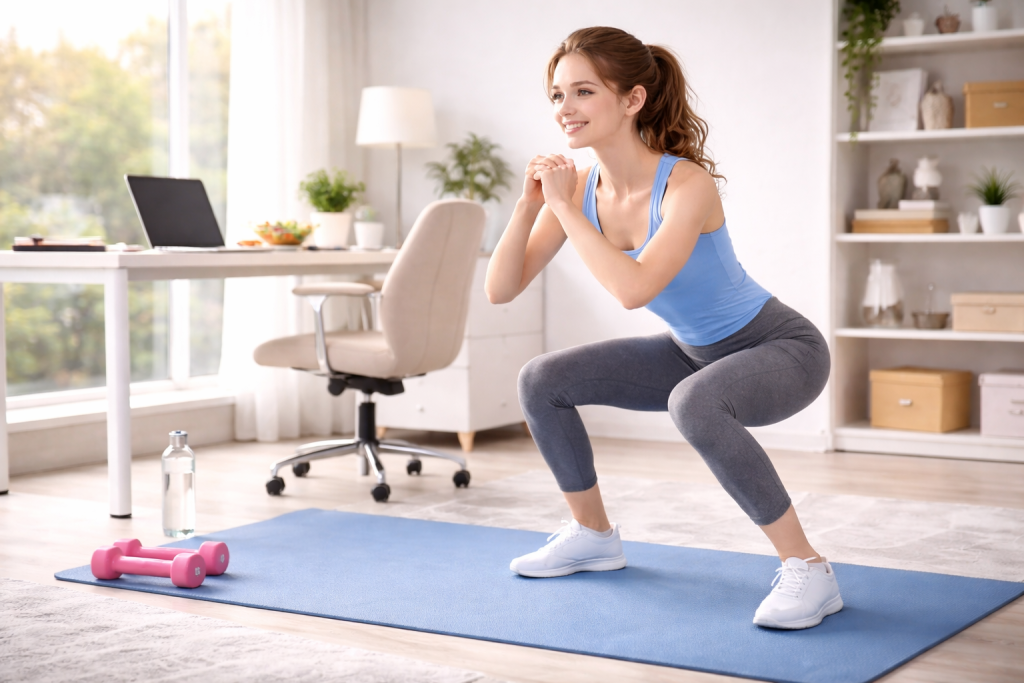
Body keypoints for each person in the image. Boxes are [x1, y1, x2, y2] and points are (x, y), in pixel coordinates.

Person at [484, 26, 839, 630]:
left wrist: (562, 206)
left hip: (782, 349)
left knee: (693, 402)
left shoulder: (685, 184)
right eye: (557, 95)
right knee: (541, 380)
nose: (565, 108)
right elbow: (500, 288)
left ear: (633, 99)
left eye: (583, 92)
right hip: (691, 353)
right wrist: (530, 205)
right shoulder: (583, 191)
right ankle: (593, 536)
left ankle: (809, 567)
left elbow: (634, 290)